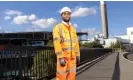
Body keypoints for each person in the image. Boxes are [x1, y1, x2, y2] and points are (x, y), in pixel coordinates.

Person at [52, 7, 80, 80]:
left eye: (68, 14)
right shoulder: (57, 27)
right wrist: (60, 57)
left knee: (72, 76)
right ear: (61, 15)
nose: (67, 15)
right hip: (63, 57)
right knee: (61, 77)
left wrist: (78, 55)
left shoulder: (73, 29)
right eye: (65, 14)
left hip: (73, 57)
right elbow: (56, 43)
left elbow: (76, 43)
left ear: (70, 15)